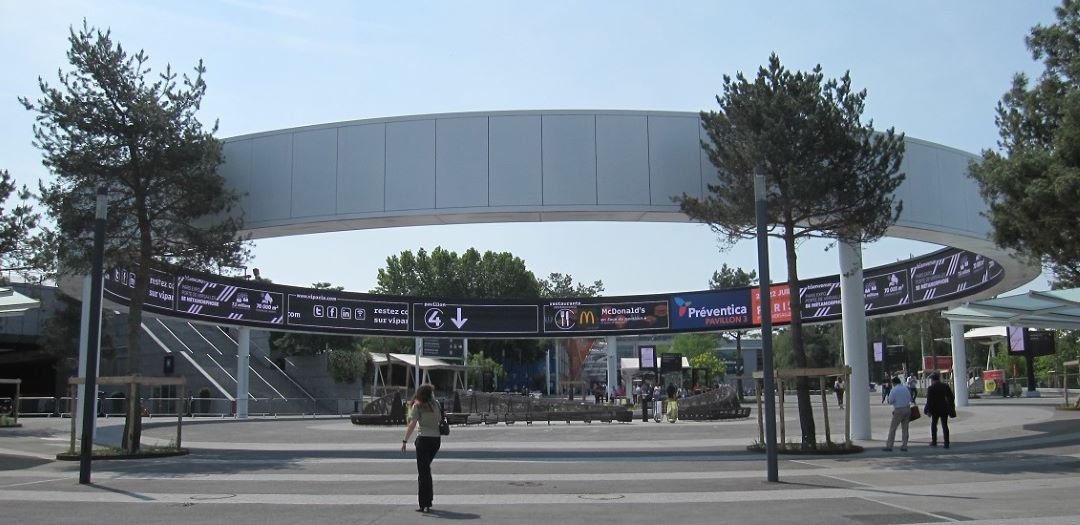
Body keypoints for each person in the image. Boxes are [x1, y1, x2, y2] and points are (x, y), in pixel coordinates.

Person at [401, 384, 443, 513]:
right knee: (426, 470)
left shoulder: (417, 405)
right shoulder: (436, 404)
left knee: (423, 472)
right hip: (436, 440)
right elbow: (440, 419)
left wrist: (405, 441)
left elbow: (412, 424)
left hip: (423, 440)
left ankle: (424, 503)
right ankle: (428, 502)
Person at [923, 372, 956, 448]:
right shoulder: (945, 386)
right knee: (945, 425)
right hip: (944, 408)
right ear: (939, 378)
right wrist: (950, 405)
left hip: (935, 410)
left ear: (932, 380)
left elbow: (929, 401)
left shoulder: (931, 388)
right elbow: (951, 397)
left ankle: (934, 441)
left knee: (934, 425)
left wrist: (927, 410)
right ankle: (946, 443)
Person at [884, 376, 913, 452]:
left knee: (893, 428)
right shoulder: (905, 388)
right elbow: (910, 398)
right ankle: (904, 445)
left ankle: (889, 446)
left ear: (893, 383)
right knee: (905, 428)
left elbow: (890, 401)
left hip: (898, 410)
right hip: (907, 409)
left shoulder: (894, 390)